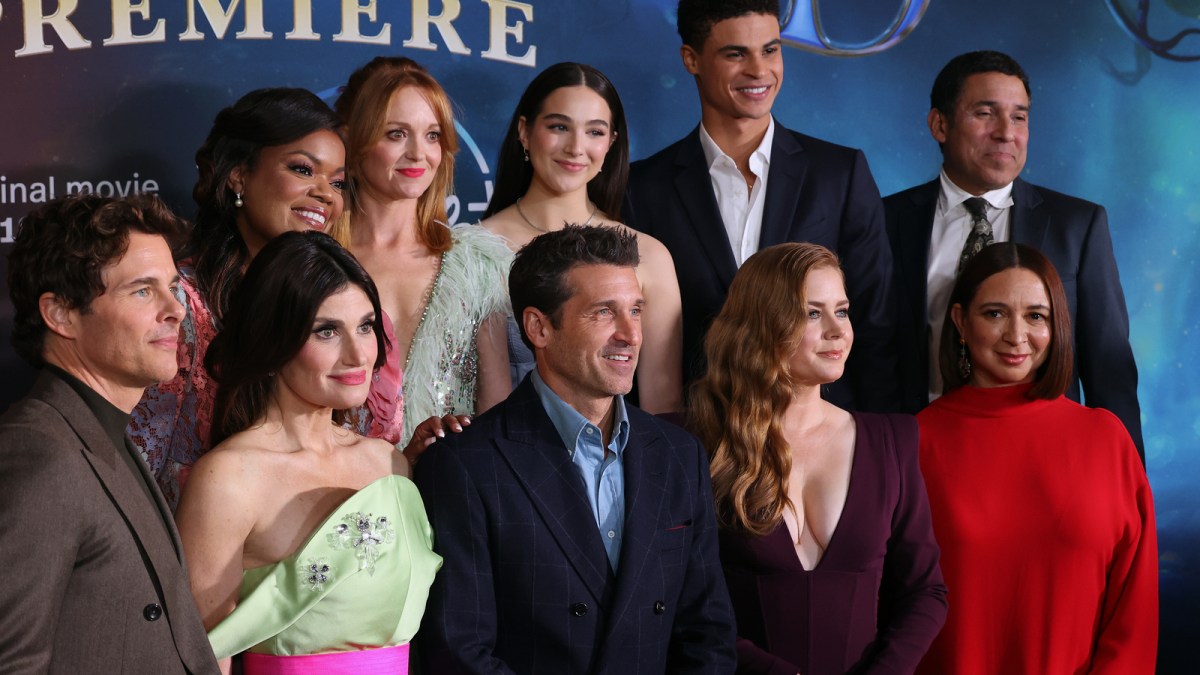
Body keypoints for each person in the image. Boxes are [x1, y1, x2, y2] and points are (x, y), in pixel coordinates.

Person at [415, 225, 736, 673]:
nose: (631, 335)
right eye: (604, 313)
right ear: (538, 327)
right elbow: (458, 650)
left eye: (636, 311)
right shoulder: (465, 465)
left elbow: (709, 635)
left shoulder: (679, 455)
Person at [175, 231, 441, 674]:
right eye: (326, 331)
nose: (358, 354)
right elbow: (203, 655)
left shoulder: (388, 462)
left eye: (366, 326)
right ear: (272, 337)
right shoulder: (228, 479)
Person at [625, 0, 898, 412]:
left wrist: (872, 444)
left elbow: (878, 324)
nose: (759, 70)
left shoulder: (839, 174)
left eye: (770, 50)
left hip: (825, 438)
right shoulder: (642, 188)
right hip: (696, 440)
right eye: (736, 53)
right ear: (691, 59)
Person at [691, 242, 947, 674]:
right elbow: (683, 601)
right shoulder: (693, 442)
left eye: (842, 311)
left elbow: (925, 592)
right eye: (812, 313)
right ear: (762, 324)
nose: (837, 330)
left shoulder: (893, 440)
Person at [883, 50, 1144, 459]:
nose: (1006, 133)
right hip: (918, 456)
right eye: (985, 113)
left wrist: (1130, 487)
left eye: (1019, 117)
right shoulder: (883, 221)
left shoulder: (1077, 225)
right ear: (939, 124)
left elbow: (1109, 370)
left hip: (1046, 458)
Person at [0, 194, 219, 673]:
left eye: (172, 287)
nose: (175, 310)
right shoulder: (38, 453)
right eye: (142, 291)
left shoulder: (103, 435)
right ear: (61, 315)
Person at [916, 243, 1156, 673]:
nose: (1016, 335)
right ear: (960, 322)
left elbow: (1134, 607)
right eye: (994, 313)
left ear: (1056, 325)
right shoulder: (914, 442)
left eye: (1036, 316)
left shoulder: (1106, 439)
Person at [129, 87, 350, 507]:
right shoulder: (180, 305)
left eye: (338, 182)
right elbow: (139, 470)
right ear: (238, 175)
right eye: (304, 169)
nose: (326, 193)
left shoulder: (339, 301)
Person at [482, 61, 684, 413]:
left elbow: (663, 407)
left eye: (594, 132)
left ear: (611, 143)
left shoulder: (649, 255)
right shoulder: (474, 249)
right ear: (525, 132)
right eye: (559, 126)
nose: (576, 147)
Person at [333, 56, 511, 448]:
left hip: (447, 491)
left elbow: (497, 409)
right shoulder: (314, 259)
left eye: (432, 135)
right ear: (351, 140)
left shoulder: (475, 266)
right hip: (338, 492)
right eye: (396, 134)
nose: (419, 153)